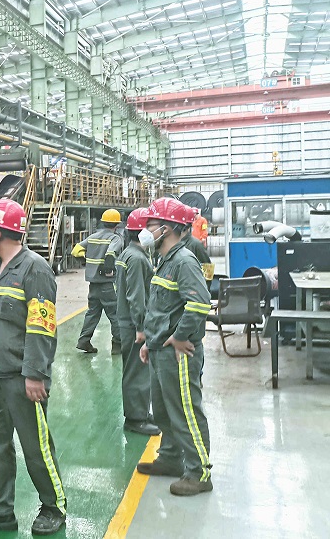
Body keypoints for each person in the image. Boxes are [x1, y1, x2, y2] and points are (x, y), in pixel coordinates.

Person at [0, 199, 66, 536]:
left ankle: (53, 507)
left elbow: (42, 326)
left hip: (21, 378)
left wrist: (35, 373)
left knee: (36, 446)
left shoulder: (34, 269)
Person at [136, 198, 213, 497]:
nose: (145, 230)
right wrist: (151, 341)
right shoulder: (165, 260)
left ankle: (199, 472)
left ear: (166, 229)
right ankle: (170, 458)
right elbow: (162, 308)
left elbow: (199, 303)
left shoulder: (183, 261)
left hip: (178, 353)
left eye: (150, 224)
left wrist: (180, 336)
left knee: (185, 412)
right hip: (161, 350)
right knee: (164, 412)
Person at [114, 208, 159, 436]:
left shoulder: (128, 254)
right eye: (151, 227)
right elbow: (136, 296)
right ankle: (135, 419)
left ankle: (140, 411)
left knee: (136, 370)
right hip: (134, 325)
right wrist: (141, 327)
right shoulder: (138, 259)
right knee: (137, 372)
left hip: (128, 321)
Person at [72, 209, 124, 355]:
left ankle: (84, 341)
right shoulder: (115, 238)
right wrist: (108, 268)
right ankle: (117, 345)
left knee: (92, 313)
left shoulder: (92, 237)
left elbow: (75, 251)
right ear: (117, 224)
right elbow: (110, 254)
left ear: (103, 222)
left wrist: (87, 260)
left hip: (93, 284)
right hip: (107, 284)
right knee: (114, 313)